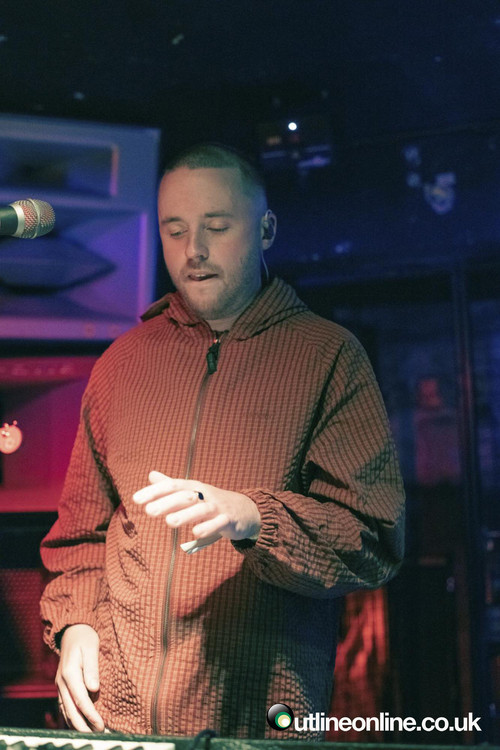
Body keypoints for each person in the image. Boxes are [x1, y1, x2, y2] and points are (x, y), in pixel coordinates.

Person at [40, 143, 405, 740]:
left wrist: (252, 517)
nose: (194, 250)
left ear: (265, 230)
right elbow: (80, 534)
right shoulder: (121, 364)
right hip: (119, 723)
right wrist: (76, 624)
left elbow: (373, 539)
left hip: (259, 724)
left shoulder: (328, 356)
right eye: (175, 230)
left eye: (216, 227)